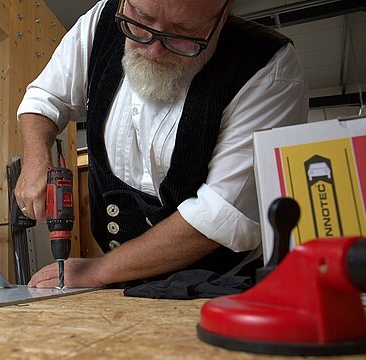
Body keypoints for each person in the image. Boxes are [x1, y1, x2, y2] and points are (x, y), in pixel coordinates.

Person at [15, 0, 308, 289]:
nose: (153, 49)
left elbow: (219, 217)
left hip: (217, 288)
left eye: (183, 31)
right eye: (140, 20)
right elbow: (46, 98)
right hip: (119, 283)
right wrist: (34, 159)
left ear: (224, 11)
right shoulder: (102, 20)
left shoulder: (267, 67)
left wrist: (98, 270)